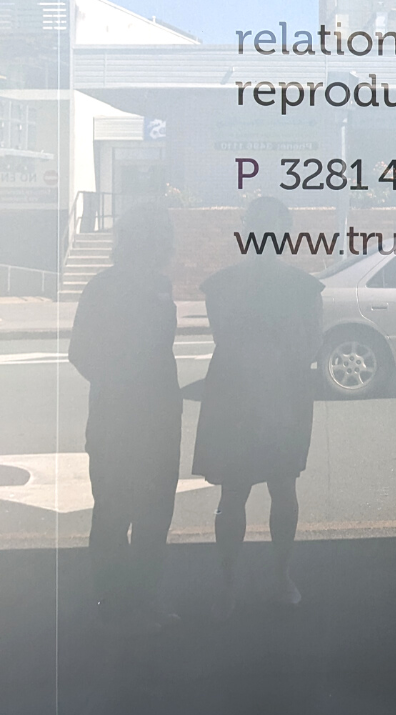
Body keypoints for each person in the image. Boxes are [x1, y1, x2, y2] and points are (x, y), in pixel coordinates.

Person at [191, 196, 324, 618]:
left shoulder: (222, 284)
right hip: (274, 396)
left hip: (243, 396)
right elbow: (310, 346)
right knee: (279, 489)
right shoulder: (303, 287)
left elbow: (225, 338)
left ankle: (230, 583)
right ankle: (276, 577)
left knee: (240, 492)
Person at [68, 201, 183, 633]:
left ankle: (118, 601)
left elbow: (81, 353)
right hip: (134, 417)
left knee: (122, 513)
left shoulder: (149, 285)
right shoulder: (111, 288)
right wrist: (124, 380)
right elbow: (81, 350)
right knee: (135, 513)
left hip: (131, 417)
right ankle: (130, 600)